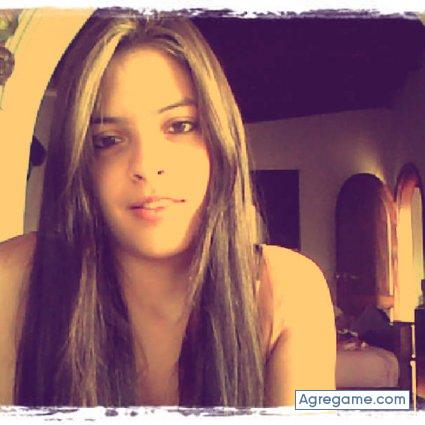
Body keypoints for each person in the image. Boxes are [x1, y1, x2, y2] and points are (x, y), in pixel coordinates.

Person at [0, 9, 335, 407]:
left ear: (221, 138)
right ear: (80, 162)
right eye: (108, 140)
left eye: (179, 126)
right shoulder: (15, 280)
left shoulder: (289, 292)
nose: (146, 166)